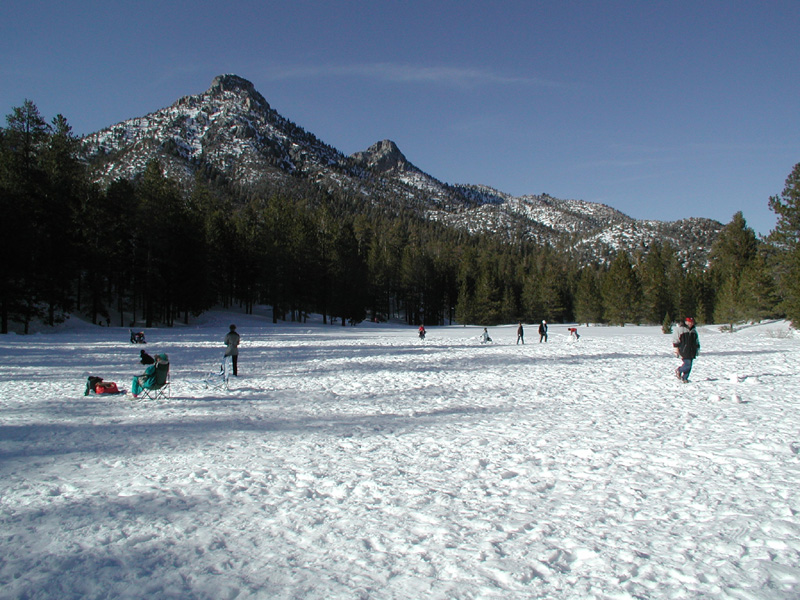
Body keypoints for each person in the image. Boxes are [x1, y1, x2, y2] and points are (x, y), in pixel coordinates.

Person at [672, 317, 700, 383]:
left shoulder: (694, 331)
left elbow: (696, 341)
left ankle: (685, 378)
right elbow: (676, 339)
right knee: (688, 364)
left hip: (692, 350)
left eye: (692, 322)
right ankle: (679, 370)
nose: (690, 323)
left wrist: (697, 349)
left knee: (689, 366)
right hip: (684, 350)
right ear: (686, 322)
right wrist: (676, 349)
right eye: (689, 322)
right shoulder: (680, 330)